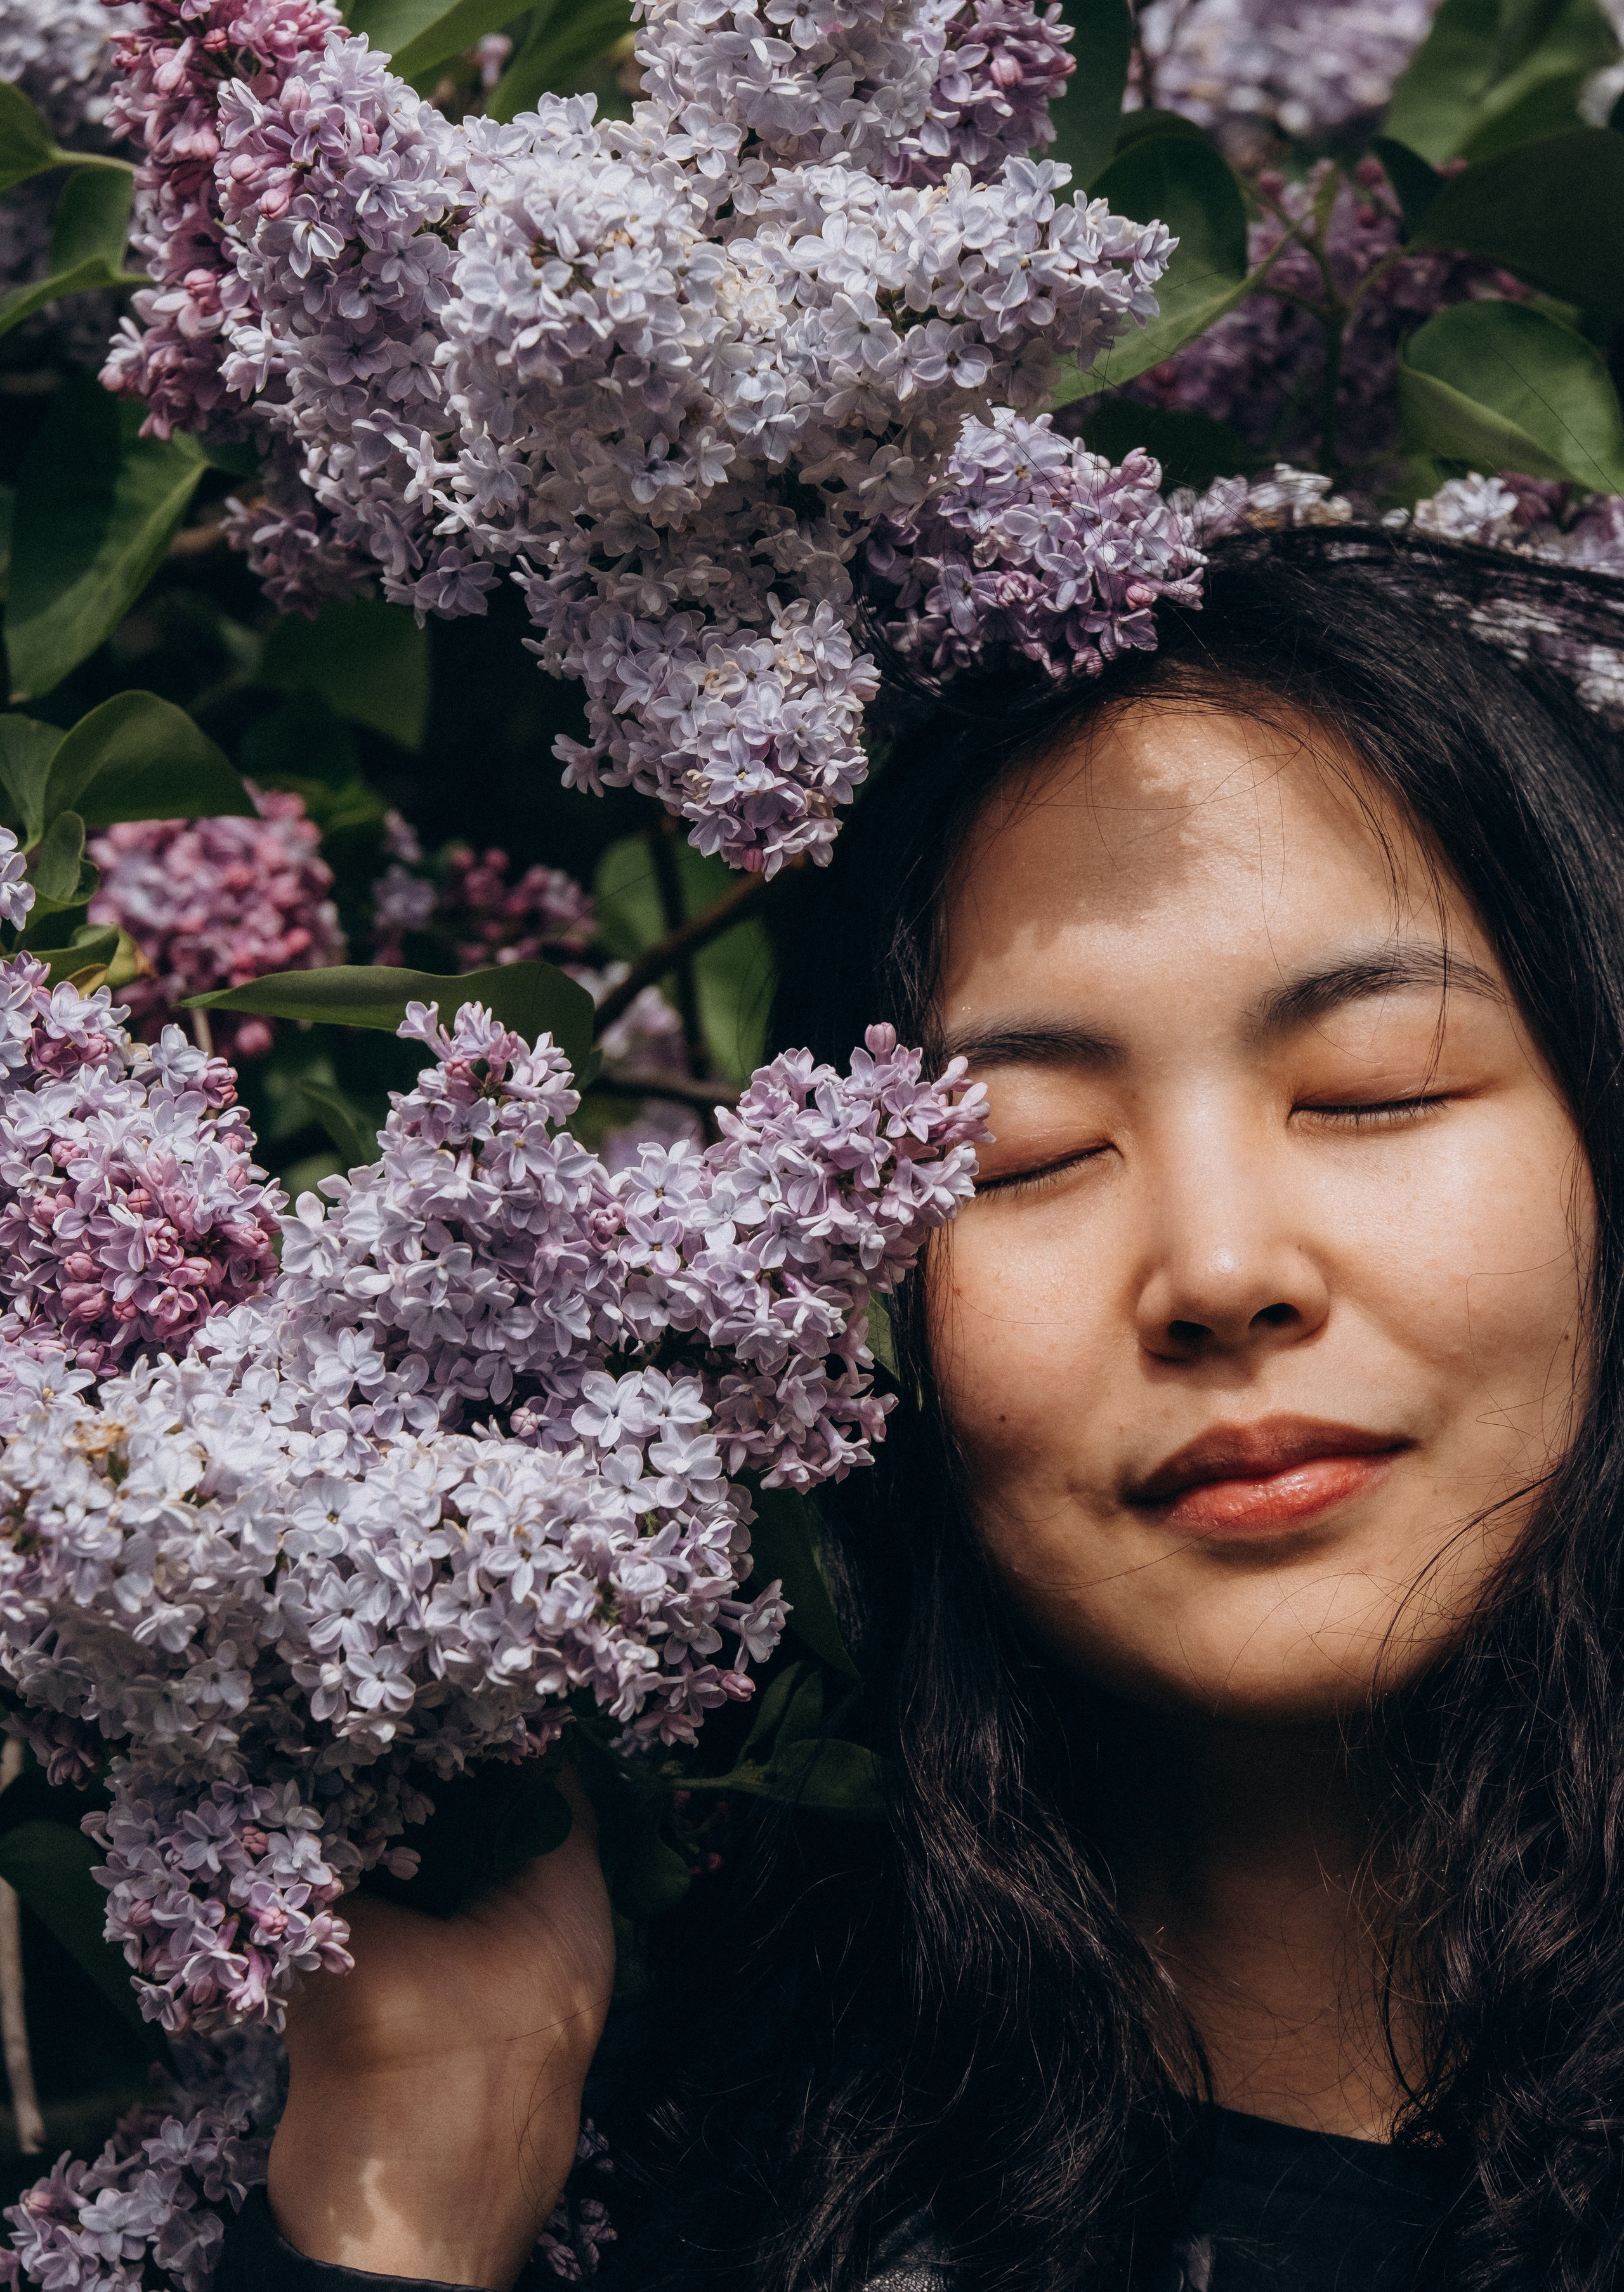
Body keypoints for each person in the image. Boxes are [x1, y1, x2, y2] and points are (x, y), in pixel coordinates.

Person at [220, 529, 1624, 2292]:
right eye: (1024, 1158)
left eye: (1370, 1091)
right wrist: (418, 2179)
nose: (1216, 1267)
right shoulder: (726, 2209)